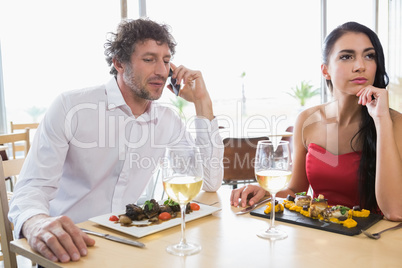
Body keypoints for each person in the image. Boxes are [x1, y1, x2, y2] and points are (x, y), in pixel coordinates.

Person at [9, 18, 223, 263]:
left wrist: (202, 102)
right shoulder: (72, 107)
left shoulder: (168, 120)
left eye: (166, 61)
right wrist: (36, 223)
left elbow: (209, 181)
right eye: (149, 59)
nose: (162, 71)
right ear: (119, 63)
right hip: (71, 248)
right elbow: (32, 188)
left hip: (131, 243)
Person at [231, 21, 402, 221]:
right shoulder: (307, 120)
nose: (360, 66)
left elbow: (395, 211)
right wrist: (266, 191)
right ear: (325, 70)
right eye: (346, 57)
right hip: (318, 239)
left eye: (369, 56)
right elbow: (296, 191)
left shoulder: (393, 123)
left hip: (373, 243)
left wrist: (381, 121)